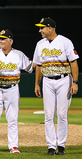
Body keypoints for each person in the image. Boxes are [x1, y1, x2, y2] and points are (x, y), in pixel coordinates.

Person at [0, 29, 34, 154]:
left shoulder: (19, 55)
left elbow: (31, 67)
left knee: (13, 119)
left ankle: (13, 146)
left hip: (13, 89)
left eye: (3, 39)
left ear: (10, 40)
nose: (0, 41)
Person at [33, 17, 79, 156]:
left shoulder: (65, 42)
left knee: (62, 114)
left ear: (50, 28)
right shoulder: (40, 44)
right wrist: (37, 83)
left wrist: (75, 82)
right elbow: (39, 65)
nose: (40, 30)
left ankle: (62, 146)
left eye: (42, 28)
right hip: (47, 80)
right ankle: (51, 146)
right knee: (48, 115)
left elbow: (74, 63)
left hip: (64, 80)